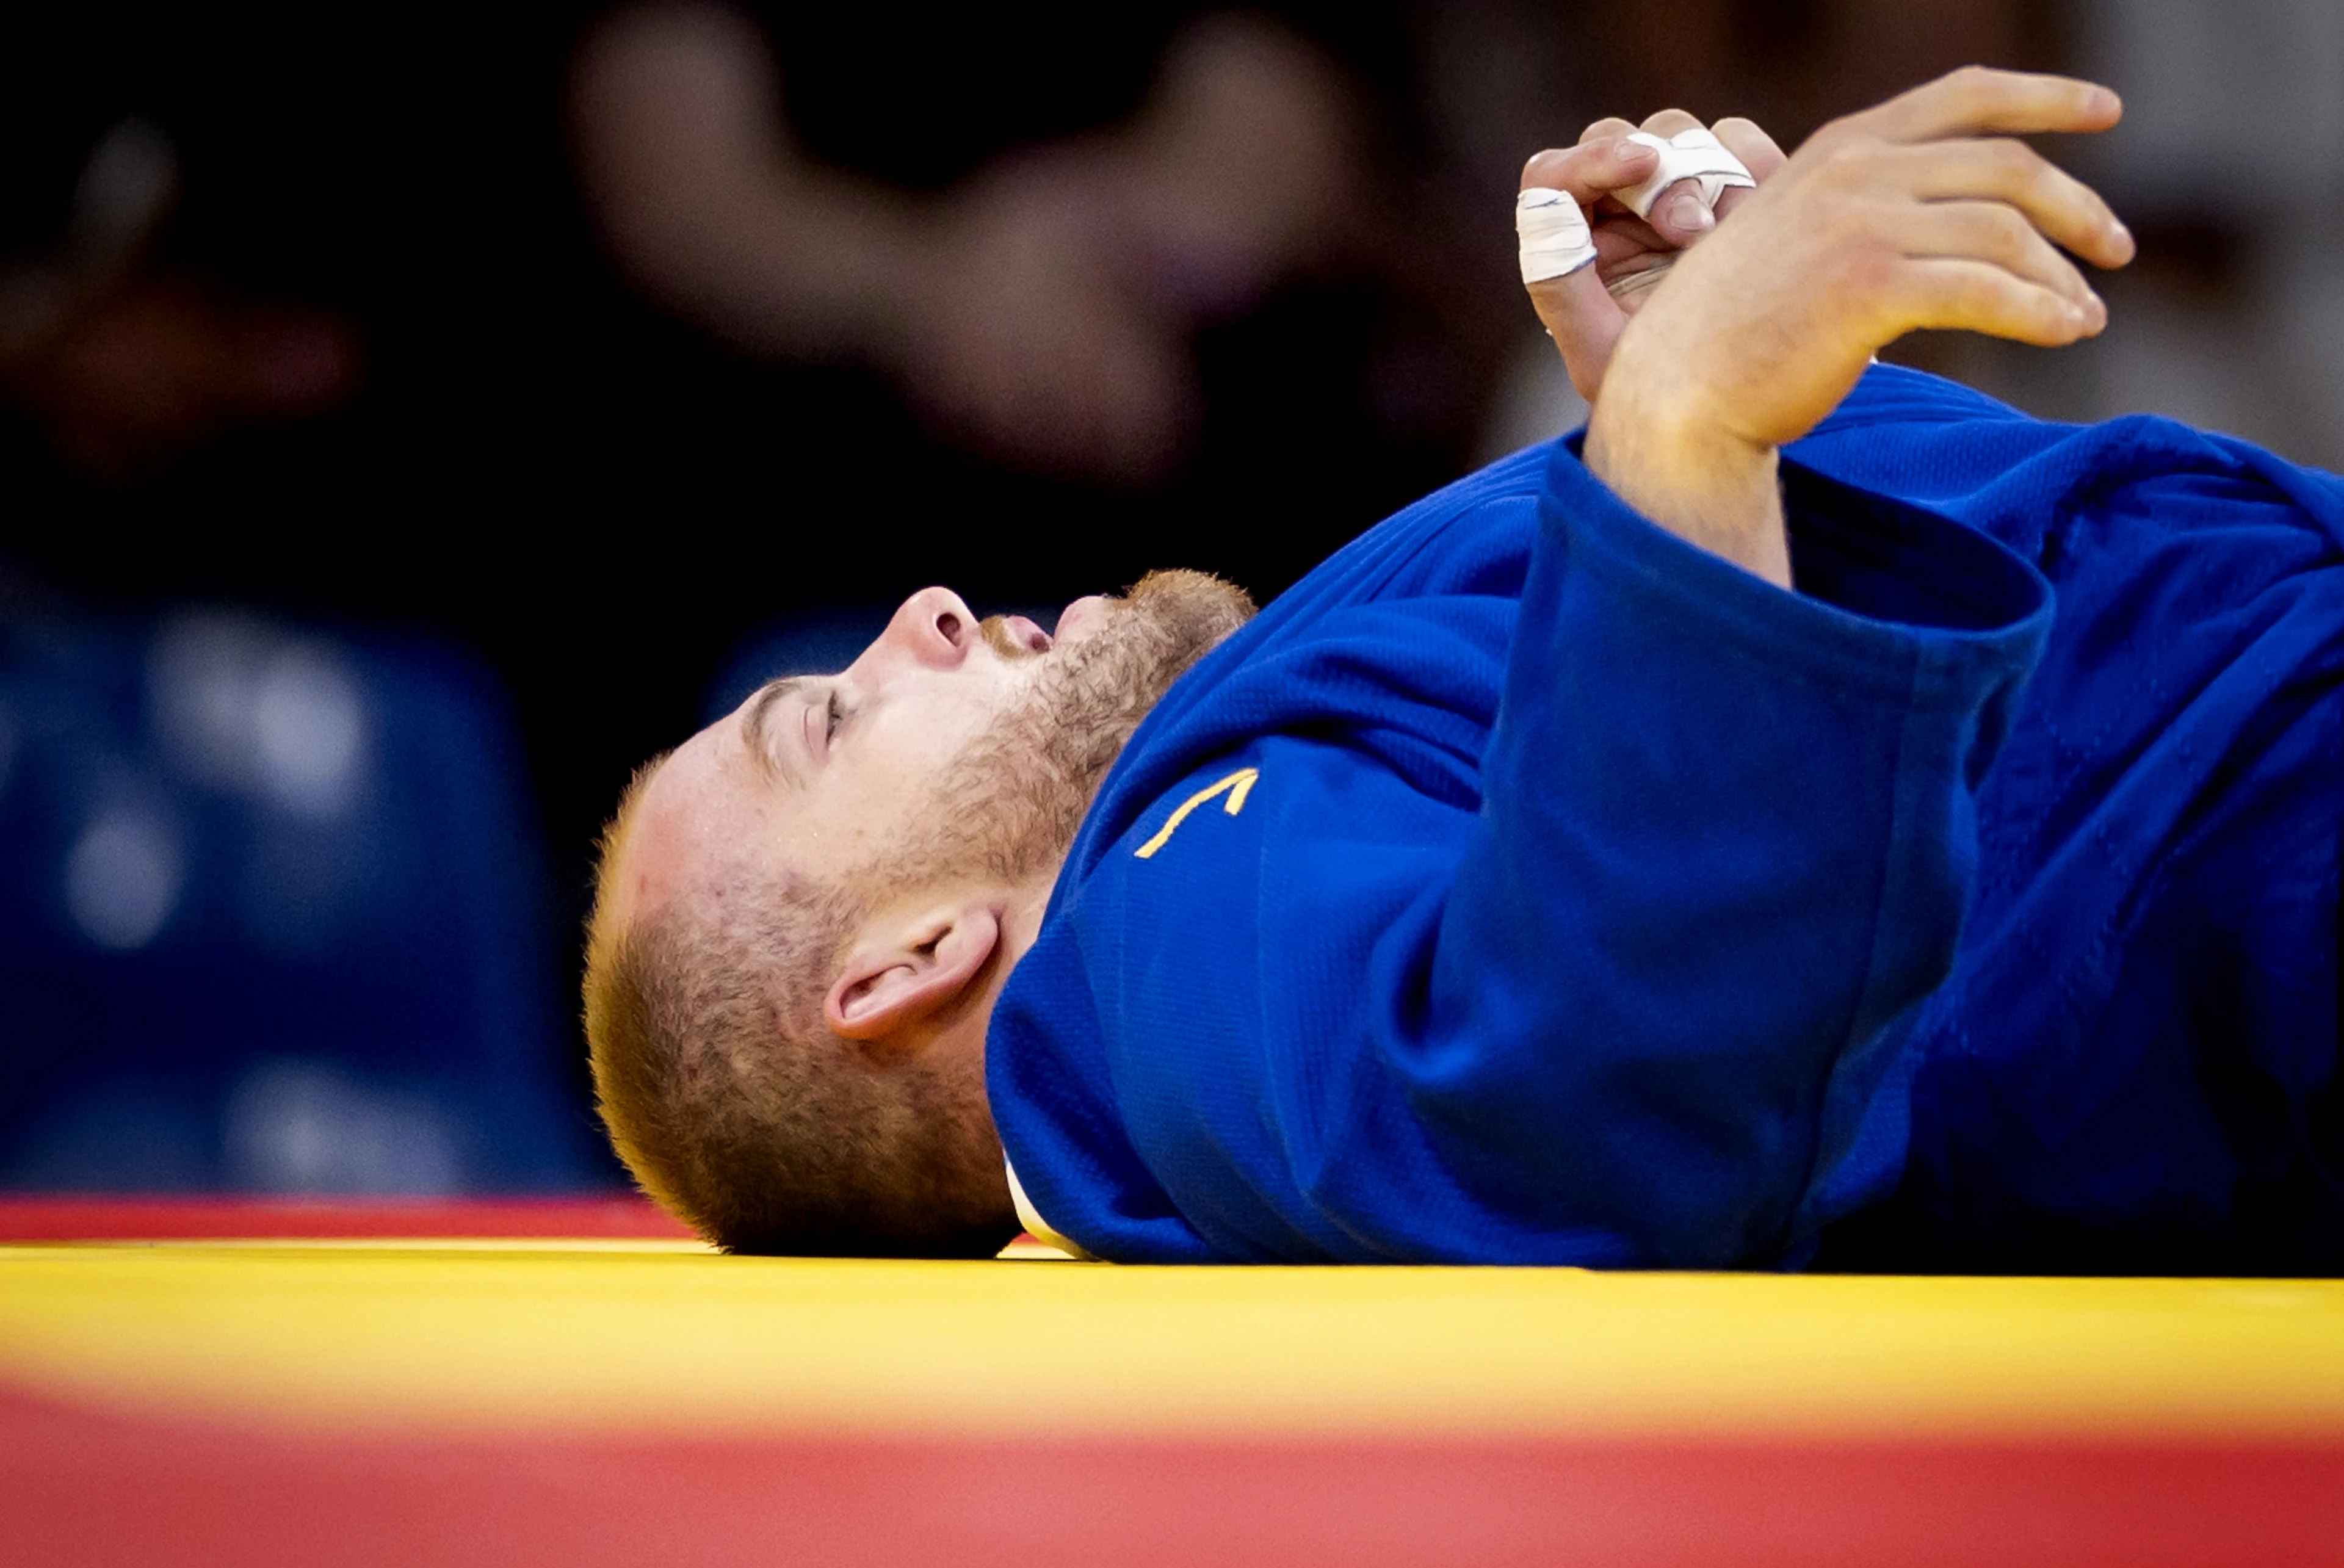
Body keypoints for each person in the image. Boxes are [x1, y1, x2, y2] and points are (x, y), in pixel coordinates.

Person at [585, 68, 2344, 1273]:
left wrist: (1732, 422)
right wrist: (1679, 437)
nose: (926, 610)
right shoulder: (1151, 937)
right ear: (908, 967)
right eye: (830, 720)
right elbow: (1567, 1111)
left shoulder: (1247, 787)